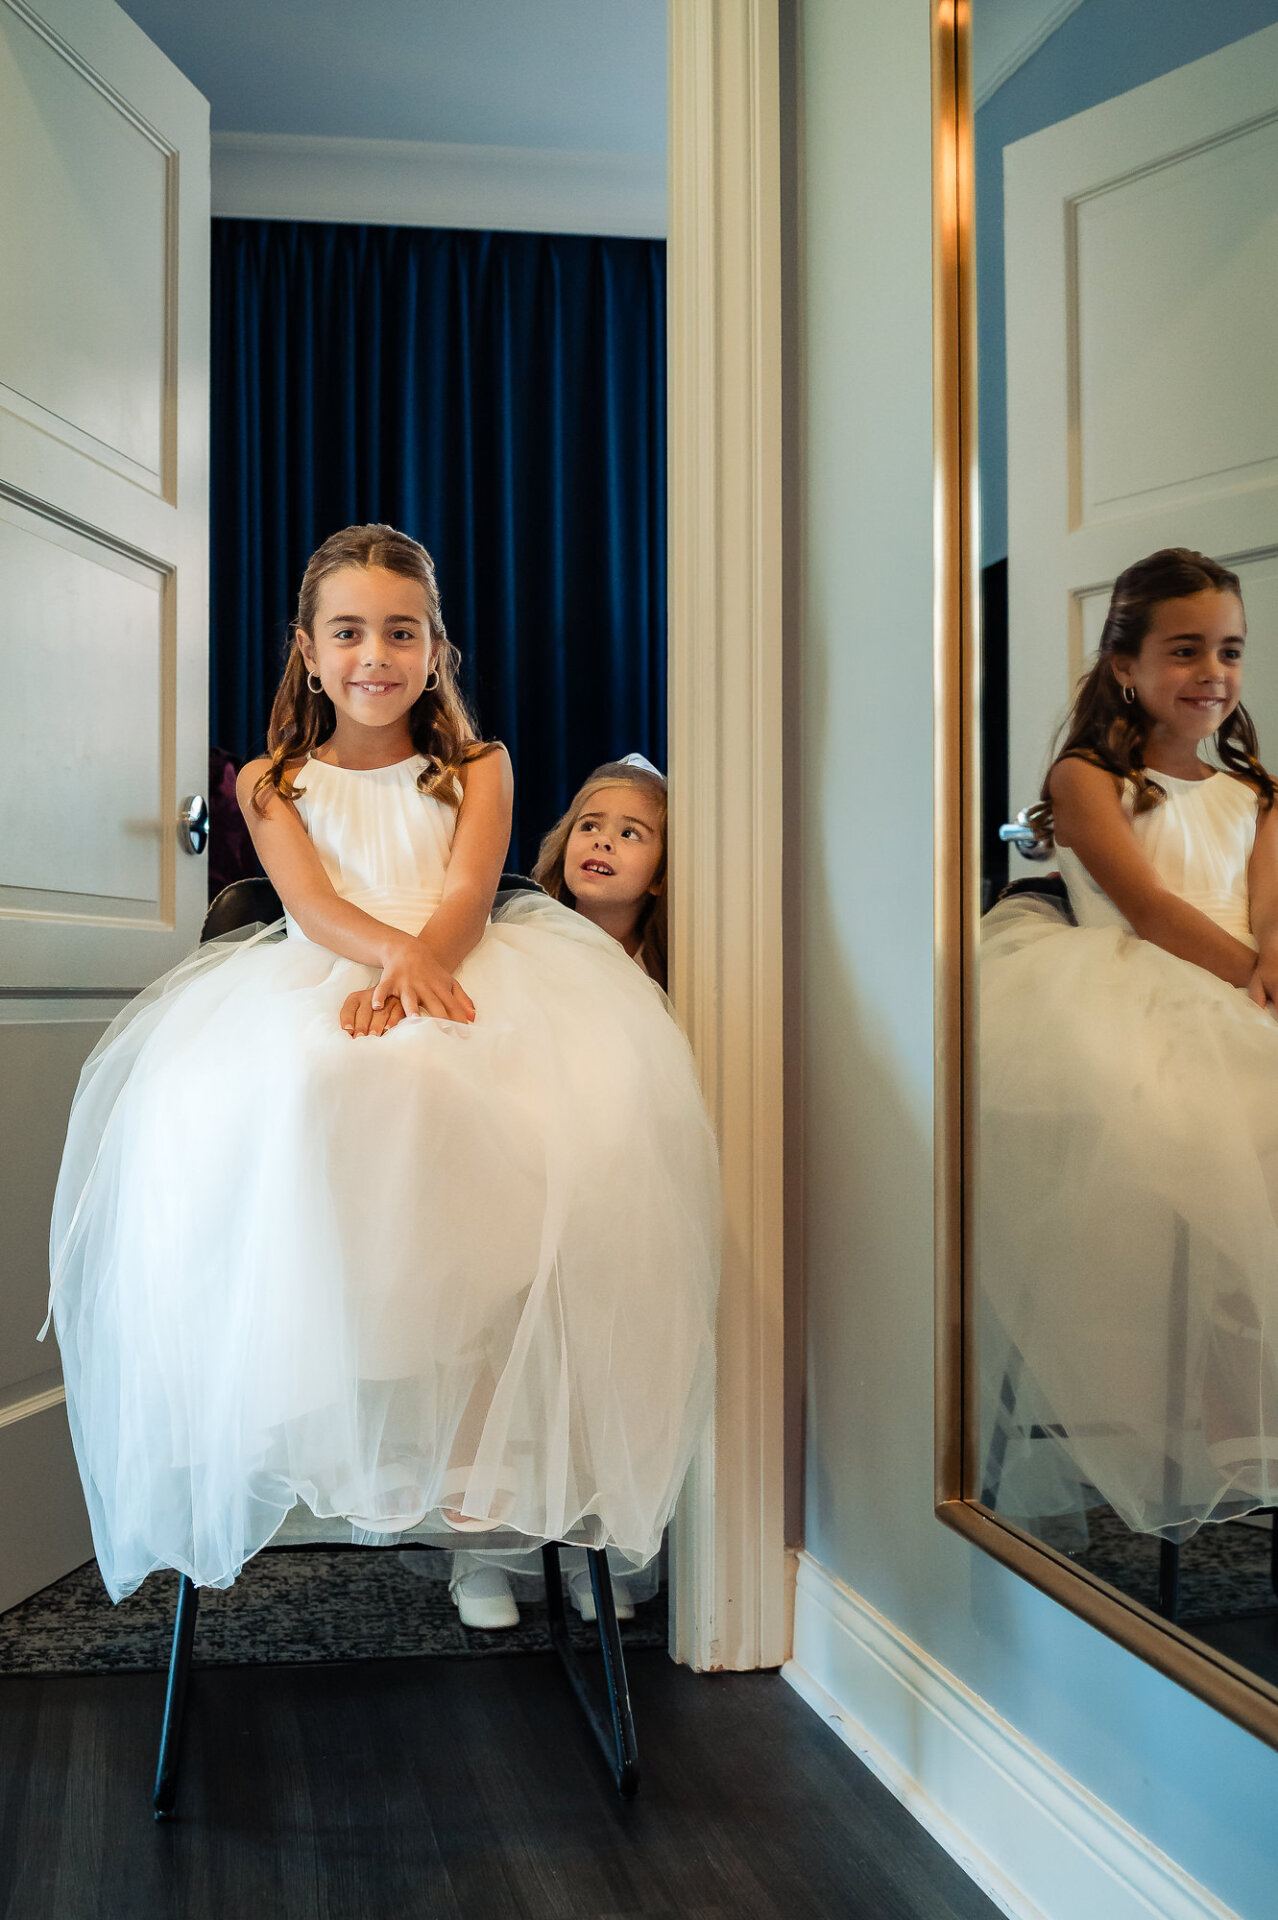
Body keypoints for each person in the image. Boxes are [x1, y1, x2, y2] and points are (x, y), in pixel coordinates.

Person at [45, 524, 720, 1613]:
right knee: (310, 1092)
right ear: (308, 649)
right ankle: (337, 1413)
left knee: (527, 1113)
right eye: (349, 632)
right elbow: (310, 907)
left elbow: (462, 898)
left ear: (435, 648)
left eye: (400, 633)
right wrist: (383, 960)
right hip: (328, 973)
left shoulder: (478, 767)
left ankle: (490, 1483)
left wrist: (415, 968)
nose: (375, 655)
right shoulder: (273, 780)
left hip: (462, 972)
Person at [978, 548, 1278, 1548]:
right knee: (1209, 1139)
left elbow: (1270, 909)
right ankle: (1211, 1406)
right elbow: (1146, 908)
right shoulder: (1089, 777)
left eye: (1229, 650)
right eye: (1185, 649)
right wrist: (1247, 978)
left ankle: (1245, 1392)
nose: (1213, 673)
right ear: (1126, 666)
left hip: (1246, 988)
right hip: (1141, 994)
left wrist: (1269, 966)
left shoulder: (1257, 787)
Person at [532, 757, 668, 988]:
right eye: (589, 826)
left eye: (629, 834)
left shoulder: (668, 975)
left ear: (658, 877)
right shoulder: (527, 942)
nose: (602, 840)